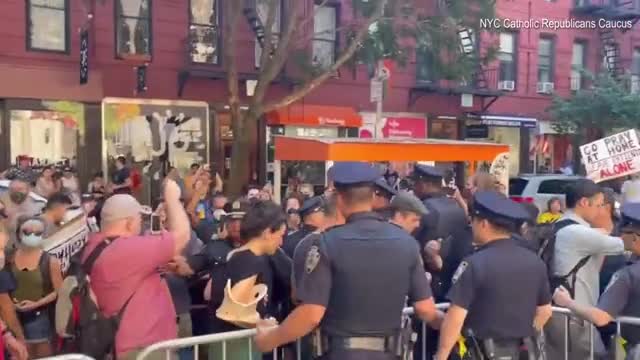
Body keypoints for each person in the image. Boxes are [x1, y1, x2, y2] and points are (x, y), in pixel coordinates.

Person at [255, 161, 443, 359]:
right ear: (372, 197)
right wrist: (454, 324)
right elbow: (426, 310)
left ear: (340, 199)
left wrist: (270, 339)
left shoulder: (326, 243)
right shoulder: (407, 243)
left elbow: (311, 313)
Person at [435, 191, 553, 360]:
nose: (472, 226)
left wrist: (442, 355)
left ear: (483, 224)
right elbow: (545, 311)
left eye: (473, 222)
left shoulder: (474, 263)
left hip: (479, 351)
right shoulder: (535, 261)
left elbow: (456, 316)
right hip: (520, 352)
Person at [81, 179, 190, 360]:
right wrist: (173, 199)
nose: (141, 224)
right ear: (130, 223)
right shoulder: (126, 249)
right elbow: (182, 236)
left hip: (124, 344)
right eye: (140, 219)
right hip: (142, 348)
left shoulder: (95, 245)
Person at [544, 179, 625, 360]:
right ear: (583, 202)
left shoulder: (559, 226)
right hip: (576, 316)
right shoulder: (578, 233)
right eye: (598, 205)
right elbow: (626, 244)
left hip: (559, 312)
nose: (600, 210)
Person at [553, 202, 640, 359]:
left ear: (634, 238)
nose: (619, 237)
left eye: (623, 233)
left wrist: (567, 302)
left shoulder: (628, 275)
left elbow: (601, 318)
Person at [209, 200, 287, 360]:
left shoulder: (242, 257)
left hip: (236, 345)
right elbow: (234, 311)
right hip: (236, 348)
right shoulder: (250, 261)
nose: (281, 242)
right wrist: (262, 323)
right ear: (267, 233)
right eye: (280, 235)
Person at [10, 217, 63, 358]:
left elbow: (58, 291)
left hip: (39, 319)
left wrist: (36, 304)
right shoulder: (9, 258)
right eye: (27, 232)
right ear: (19, 234)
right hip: (12, 318)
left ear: (43, 235)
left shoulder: (50, 261)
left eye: (37, 233)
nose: (32, 236)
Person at [0, 177, 45, 247]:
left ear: (28, 190)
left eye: (20, 189)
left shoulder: (39, 206)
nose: (16, 192)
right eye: (12, 189)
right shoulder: (3, 207)